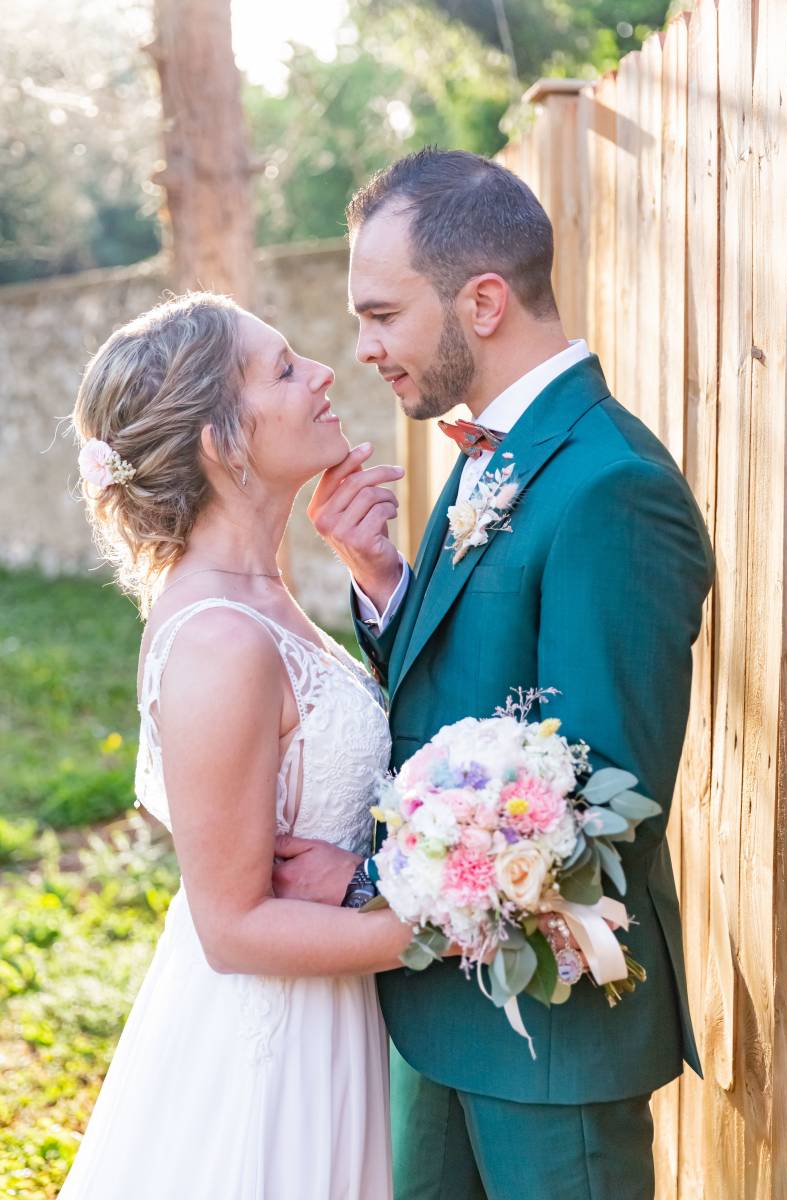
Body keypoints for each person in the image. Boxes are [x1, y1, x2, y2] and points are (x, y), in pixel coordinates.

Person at [273, 148, 717, 1200]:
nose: (364, 348)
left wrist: (369, 889)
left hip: (549, 1047)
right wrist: (381, 581)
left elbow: (602, 797)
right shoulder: (489, 449)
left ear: (480, 300)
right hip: (437, 1016)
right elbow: (469, 700)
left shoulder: (610, 486)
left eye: (382, 314)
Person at [58, 292, 422, 1200]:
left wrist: (375, 573)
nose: (326, 374)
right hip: (274, 1052)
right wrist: (442, 926)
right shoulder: (220, 638)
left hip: (334, 1011)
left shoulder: (259, 596)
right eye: (286, 369)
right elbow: (233, 927)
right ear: (221, 443)